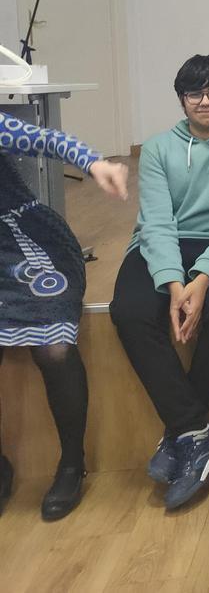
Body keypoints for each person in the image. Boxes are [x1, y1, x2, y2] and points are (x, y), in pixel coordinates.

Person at [109, 55, 209, 509]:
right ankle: (196, 430)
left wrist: (202, 278)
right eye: (195, 93)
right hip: (164, 243)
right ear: (181, 99)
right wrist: (174, 283)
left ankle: (184, 430)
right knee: (130, 311)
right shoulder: (159, 148)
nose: (205, 100)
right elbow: (156, 222)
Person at [0, 112, 127, 520]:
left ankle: (73, 462)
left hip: (24, 242)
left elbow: (51, 140)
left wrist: (94, 163)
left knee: (54, 349)